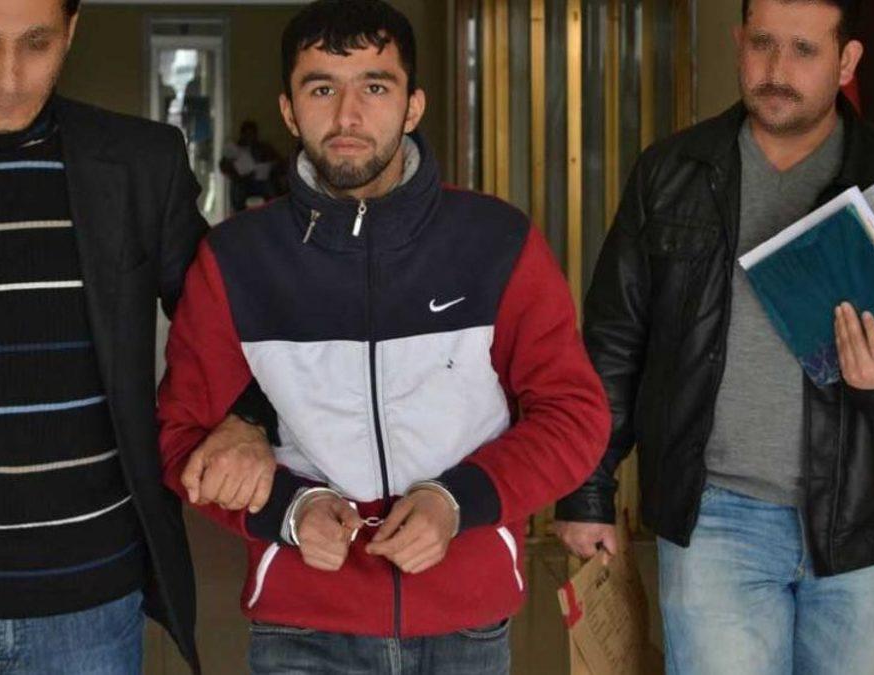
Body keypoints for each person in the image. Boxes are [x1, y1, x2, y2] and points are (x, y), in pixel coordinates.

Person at [157, 1, 610, 673]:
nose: (347, 116)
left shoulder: (496, 242)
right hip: (303, 624)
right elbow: (180, 438)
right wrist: (289, 509)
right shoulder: (236, 260)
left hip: (466, 616)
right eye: (321, 89)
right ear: (289, 110)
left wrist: (457, 502)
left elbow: (575, 415)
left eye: (374, 86)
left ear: (413, 105)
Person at [0, 0, 262, 671]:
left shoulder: (141, 164)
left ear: (72, 31)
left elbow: (226, 327)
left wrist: (249, 419)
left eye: (36, 43)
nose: (8, 78)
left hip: (91, 602)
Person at [554, 1, 874, 673]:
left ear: (847, 61)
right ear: (739, 41)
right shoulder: (671, 172)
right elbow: (612, 344)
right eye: (762, 44)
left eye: (804, 50)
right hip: (715, 516)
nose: (777, 70)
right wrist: (587, 490)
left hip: (861, 522)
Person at [220, 120, 284, 212]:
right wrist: (236, 174)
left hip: (262, 181)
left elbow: (279, 162)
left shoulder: (264, 147)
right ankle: (239, 213)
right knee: (238, 190)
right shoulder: (234, 149)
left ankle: (275, 211)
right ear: (242, 134)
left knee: (271, 187)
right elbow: (223, 166)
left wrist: (270, 166)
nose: (249, 137)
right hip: (241, 181)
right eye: (247, 134)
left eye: (252, 134)